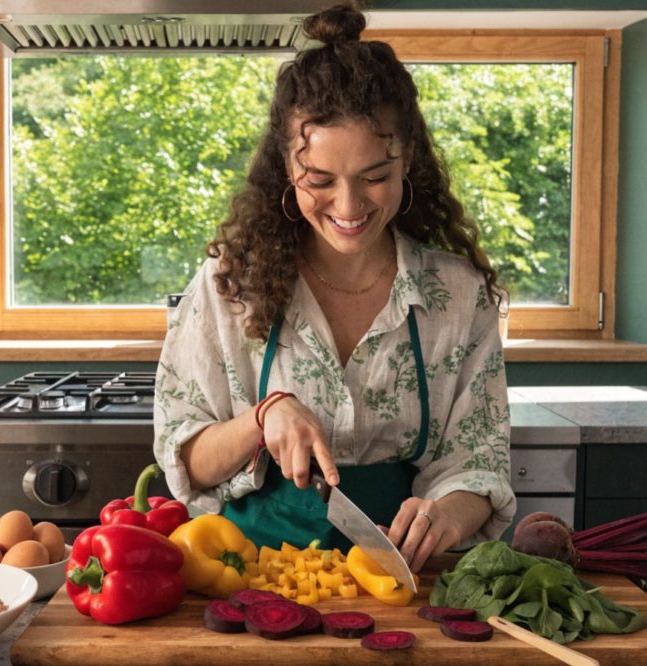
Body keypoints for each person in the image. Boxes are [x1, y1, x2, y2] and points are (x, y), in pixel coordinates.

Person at [153, 2, 515, 574]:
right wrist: (263, 416)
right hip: (245, 576)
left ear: (407, 159)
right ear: (286, 168)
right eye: (319, 180)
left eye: (375, 176)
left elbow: (479, 462)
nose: (349, 206)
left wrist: (447, 515)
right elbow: (186, 457)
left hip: (400, 575)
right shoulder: (231, 285)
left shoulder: (460, 295)